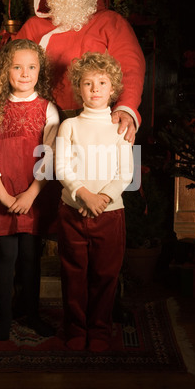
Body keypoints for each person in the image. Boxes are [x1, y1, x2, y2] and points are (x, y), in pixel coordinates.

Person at [0, 0, 145, 144]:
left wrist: (126, 108)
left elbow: (132, 68)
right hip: (40, 126)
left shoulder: (111, 22)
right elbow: (9, 68)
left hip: (96, 123)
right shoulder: (33, 27)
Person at [0, 39, 60, 341]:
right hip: (3, 193)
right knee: (7, 256)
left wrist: (29, 195)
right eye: (16, 66)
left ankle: (33, 314)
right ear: (5, 70)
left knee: (30, 257)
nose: (24, 73)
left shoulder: (49, 110)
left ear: (40, 71)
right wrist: (5, 197)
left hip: (33, 194)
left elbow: (50, 157)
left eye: (31, 67)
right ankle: (6, 317)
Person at [55, 51, 134, 352]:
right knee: (74, 273)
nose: (96, 88)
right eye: (88, 83)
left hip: (110, 215)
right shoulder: (69, 126)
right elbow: (61, 167)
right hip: (72, 212)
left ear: (113, 88)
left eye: (102, 82)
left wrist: (102, 198)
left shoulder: (120, 127)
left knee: (105, 274)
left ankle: (99, 330)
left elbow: (125, 173)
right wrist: (83, 194)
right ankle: (75, 328)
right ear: (79, 88)